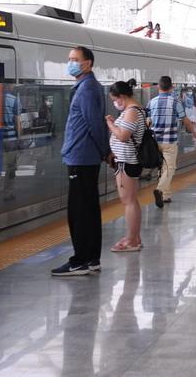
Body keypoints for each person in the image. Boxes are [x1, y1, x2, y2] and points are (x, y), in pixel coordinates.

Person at [53, 46, 109, 277]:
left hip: (81, 156)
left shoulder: (86, 89)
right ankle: (91, 258)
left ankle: (81, 260)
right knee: (89, 208)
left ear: (88, 63)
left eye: (75, 59)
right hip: (84, 155)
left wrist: (105, 151)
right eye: (69, 59)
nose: (71, 63)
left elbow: (94, 123)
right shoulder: (89, 86)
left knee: (79, 211)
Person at [106, 80, 146, 252]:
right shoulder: (135, 110)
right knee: (132, 200)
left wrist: (110, 124)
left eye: (115, 100)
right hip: (128, 161)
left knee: (128, 201)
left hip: (126, 161)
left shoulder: (131, 111)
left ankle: (132, 241)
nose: (115, 103)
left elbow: (123, 136)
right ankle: (134, 236)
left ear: (122, 96)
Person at [148, 76, 194, 208]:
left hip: (154, 142)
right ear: (172, 87)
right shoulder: (175, 102)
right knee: (169, 167)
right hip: (169, 141)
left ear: (158, 86)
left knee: (162, 167)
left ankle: (166, 195)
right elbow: (184, 119)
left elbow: (147, 121)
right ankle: (159, 189)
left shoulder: (151, 102)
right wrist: (193, 131)